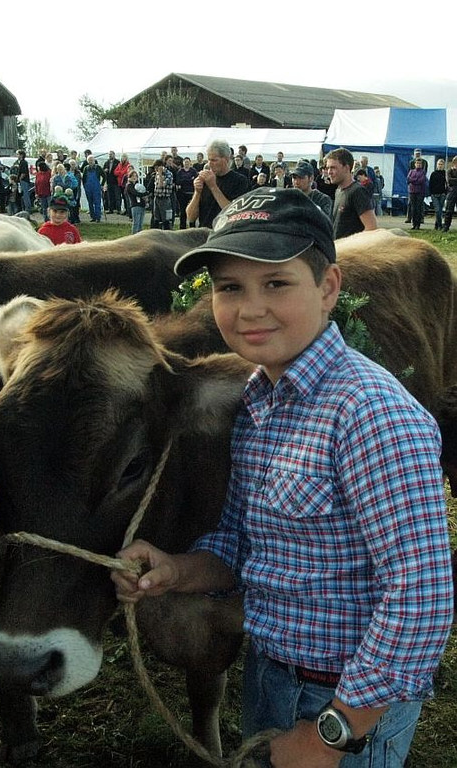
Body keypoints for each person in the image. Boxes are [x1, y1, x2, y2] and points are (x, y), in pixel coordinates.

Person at [113, 188, 453, 768]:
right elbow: (241, 542)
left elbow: (420, 600)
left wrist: (330, 736)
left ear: (328, 289)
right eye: (230, 287)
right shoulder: (257, 399)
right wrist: (179, 570)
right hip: (273, 674)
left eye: (276, 284)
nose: (250, 309)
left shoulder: (370, 414)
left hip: (346, 701)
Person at [185, 139, 250, 228]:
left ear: (226, 159)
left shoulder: (240, 181)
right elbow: (191, 217)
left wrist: (213, 187)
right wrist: (197, 192)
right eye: (208, 160)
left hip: (226, 234)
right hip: (205, 234)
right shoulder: (205, 179)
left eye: (214, 160)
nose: (210, 164)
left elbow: (234, 213)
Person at [325, 147, 377, 239]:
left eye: (333, 167)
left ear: (346, 167)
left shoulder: (358, 192)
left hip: (351, 252)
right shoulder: (338, 191)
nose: (329, 172)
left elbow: (371, 229)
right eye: (328, 168)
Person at [82, 154, 106, 222]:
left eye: (92, 160)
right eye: (89, 160)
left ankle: (98, 217)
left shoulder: (98, 167)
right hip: (88, 188)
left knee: (97, 202)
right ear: (87, 161)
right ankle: (93, 217)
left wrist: (102, 184)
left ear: (94, 160)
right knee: (90, 203)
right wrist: (85, 186)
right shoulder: (86, 168)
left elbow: (104, 176)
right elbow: (83, 178)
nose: (91, 161)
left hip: (96, 187)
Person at [175, 157, 198, 229]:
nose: (186, 163)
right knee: (183, 211)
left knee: (192, 210)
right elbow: (178, 181)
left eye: (188, 162)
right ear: (183, 163)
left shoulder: (193, 171)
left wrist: (185, 180)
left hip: (192, 193)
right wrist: (189, 179)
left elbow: (195, 180)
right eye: (185, 162)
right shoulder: (180, 172)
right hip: (182, 194)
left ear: (190, 163)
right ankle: (182, 227)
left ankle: (192, 227)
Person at [406, 157, 427, 230]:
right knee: (413, 208)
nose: (418, 164)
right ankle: (414, 224)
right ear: (415, 164)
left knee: (418, 208)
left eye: (420, 163)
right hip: (412, 192)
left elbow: (421, 181)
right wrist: (415, 180)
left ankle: (418, 224)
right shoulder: (411, 171)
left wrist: (413, 180)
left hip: (420, 192)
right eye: (417, 163)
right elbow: (408, 179)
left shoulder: (423, 172)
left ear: (421, 165)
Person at [125, 169, 147, 234]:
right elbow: (136, 193)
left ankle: (139, 237)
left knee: (140, 223)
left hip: (142, 205)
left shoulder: (138, 185)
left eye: (136, 176)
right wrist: (145, 194)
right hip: (135, 205)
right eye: (133, 176)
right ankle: (134, 237)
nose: (134, 177)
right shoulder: (129, 185)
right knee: (136, 223)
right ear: (129, 177)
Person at [429, 158, 447, 230]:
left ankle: (436, 225)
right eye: (439, 164)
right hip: (434, 195)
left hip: (442, 194)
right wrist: (431, 193)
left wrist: (445, 193)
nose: (440, 166)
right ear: (437, 165)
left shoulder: (445, 173)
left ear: (443, 165)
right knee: (437, 210)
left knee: (440, 210)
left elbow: (447, 184)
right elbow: (430, 184)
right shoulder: (433, 174)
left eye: (441, 164)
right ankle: (440, 225)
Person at [15, 148, 33, 212]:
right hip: (23, 180)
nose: (17, 156)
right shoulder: (21, 162)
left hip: (24, 181)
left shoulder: (23, 162)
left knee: (25, 195)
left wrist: (19, 179)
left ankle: (28, 208)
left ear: (21, 155)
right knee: (24, 195)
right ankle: (25, 207)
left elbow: (23, 173)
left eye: (18, 154)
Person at [443, 156, 457, 233]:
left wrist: (453, 180)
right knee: (449, 210)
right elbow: (449, 181)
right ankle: (446, 226)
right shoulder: (449, 171)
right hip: (451, 192)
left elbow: (452, 180)